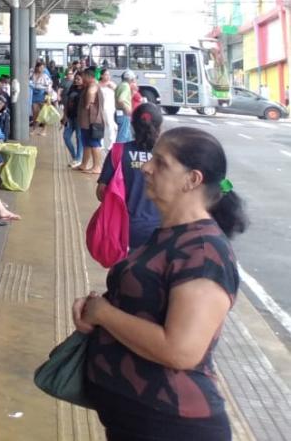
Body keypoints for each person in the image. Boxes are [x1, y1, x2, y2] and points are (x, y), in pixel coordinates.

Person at [75, 128, 249, 441]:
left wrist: (103, 314)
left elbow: (180, 351)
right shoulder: (169, 234)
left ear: (192, 180)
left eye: (161, 163)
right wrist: (95, 310)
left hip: (173, 426)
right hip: (138, 421)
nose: (146, 168)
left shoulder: (203, 251)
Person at [98, 102, 164, 248]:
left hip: (125, 228)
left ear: (132, 125)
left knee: (126, 268)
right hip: (162, 228)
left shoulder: (118, 151)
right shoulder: (169, 155)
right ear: (159, 127)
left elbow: (101, 192)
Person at [78, 68, 108, 176]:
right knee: (87, 143)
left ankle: (97, 167)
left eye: (84, 76)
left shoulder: (93, 84)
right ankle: (84, 164)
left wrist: (88, 103)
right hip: (87, 121)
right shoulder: (91, 84)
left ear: (88, 75)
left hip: (93, 121)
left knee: (94, 144)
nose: (83, 78)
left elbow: (91, 92)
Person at [62, 71, 85, 168]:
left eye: (78, 79)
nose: (76, 80)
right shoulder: (72, 88)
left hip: (80, 118)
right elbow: (67, 103)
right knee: (66, 137)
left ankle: (78, 159)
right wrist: (65, 115)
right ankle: (75, 156)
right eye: (75, 79)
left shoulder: (85, 90)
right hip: (70, 117)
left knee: (79, 138)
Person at [113, 70, 136, 143]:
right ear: (131, 79)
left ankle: (127, 152)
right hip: (123, 114)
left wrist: (132, 93)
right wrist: (126, 108)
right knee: (122, 136)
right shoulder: (125, 86)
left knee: (127, 136)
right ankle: (117, 154)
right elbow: (121, 100)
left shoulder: (120, 85)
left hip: (119, 113)